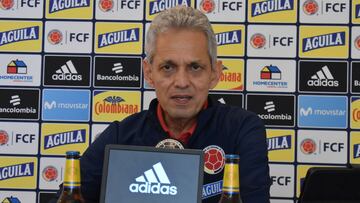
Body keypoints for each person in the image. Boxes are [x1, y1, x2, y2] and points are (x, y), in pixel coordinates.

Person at [79, 6, 270, 203]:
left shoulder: (241, 130)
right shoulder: (120, 136)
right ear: (149, 72)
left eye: (195, 67)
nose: (181, 82)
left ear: (215, 73)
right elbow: (67, 196)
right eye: (167, 67)